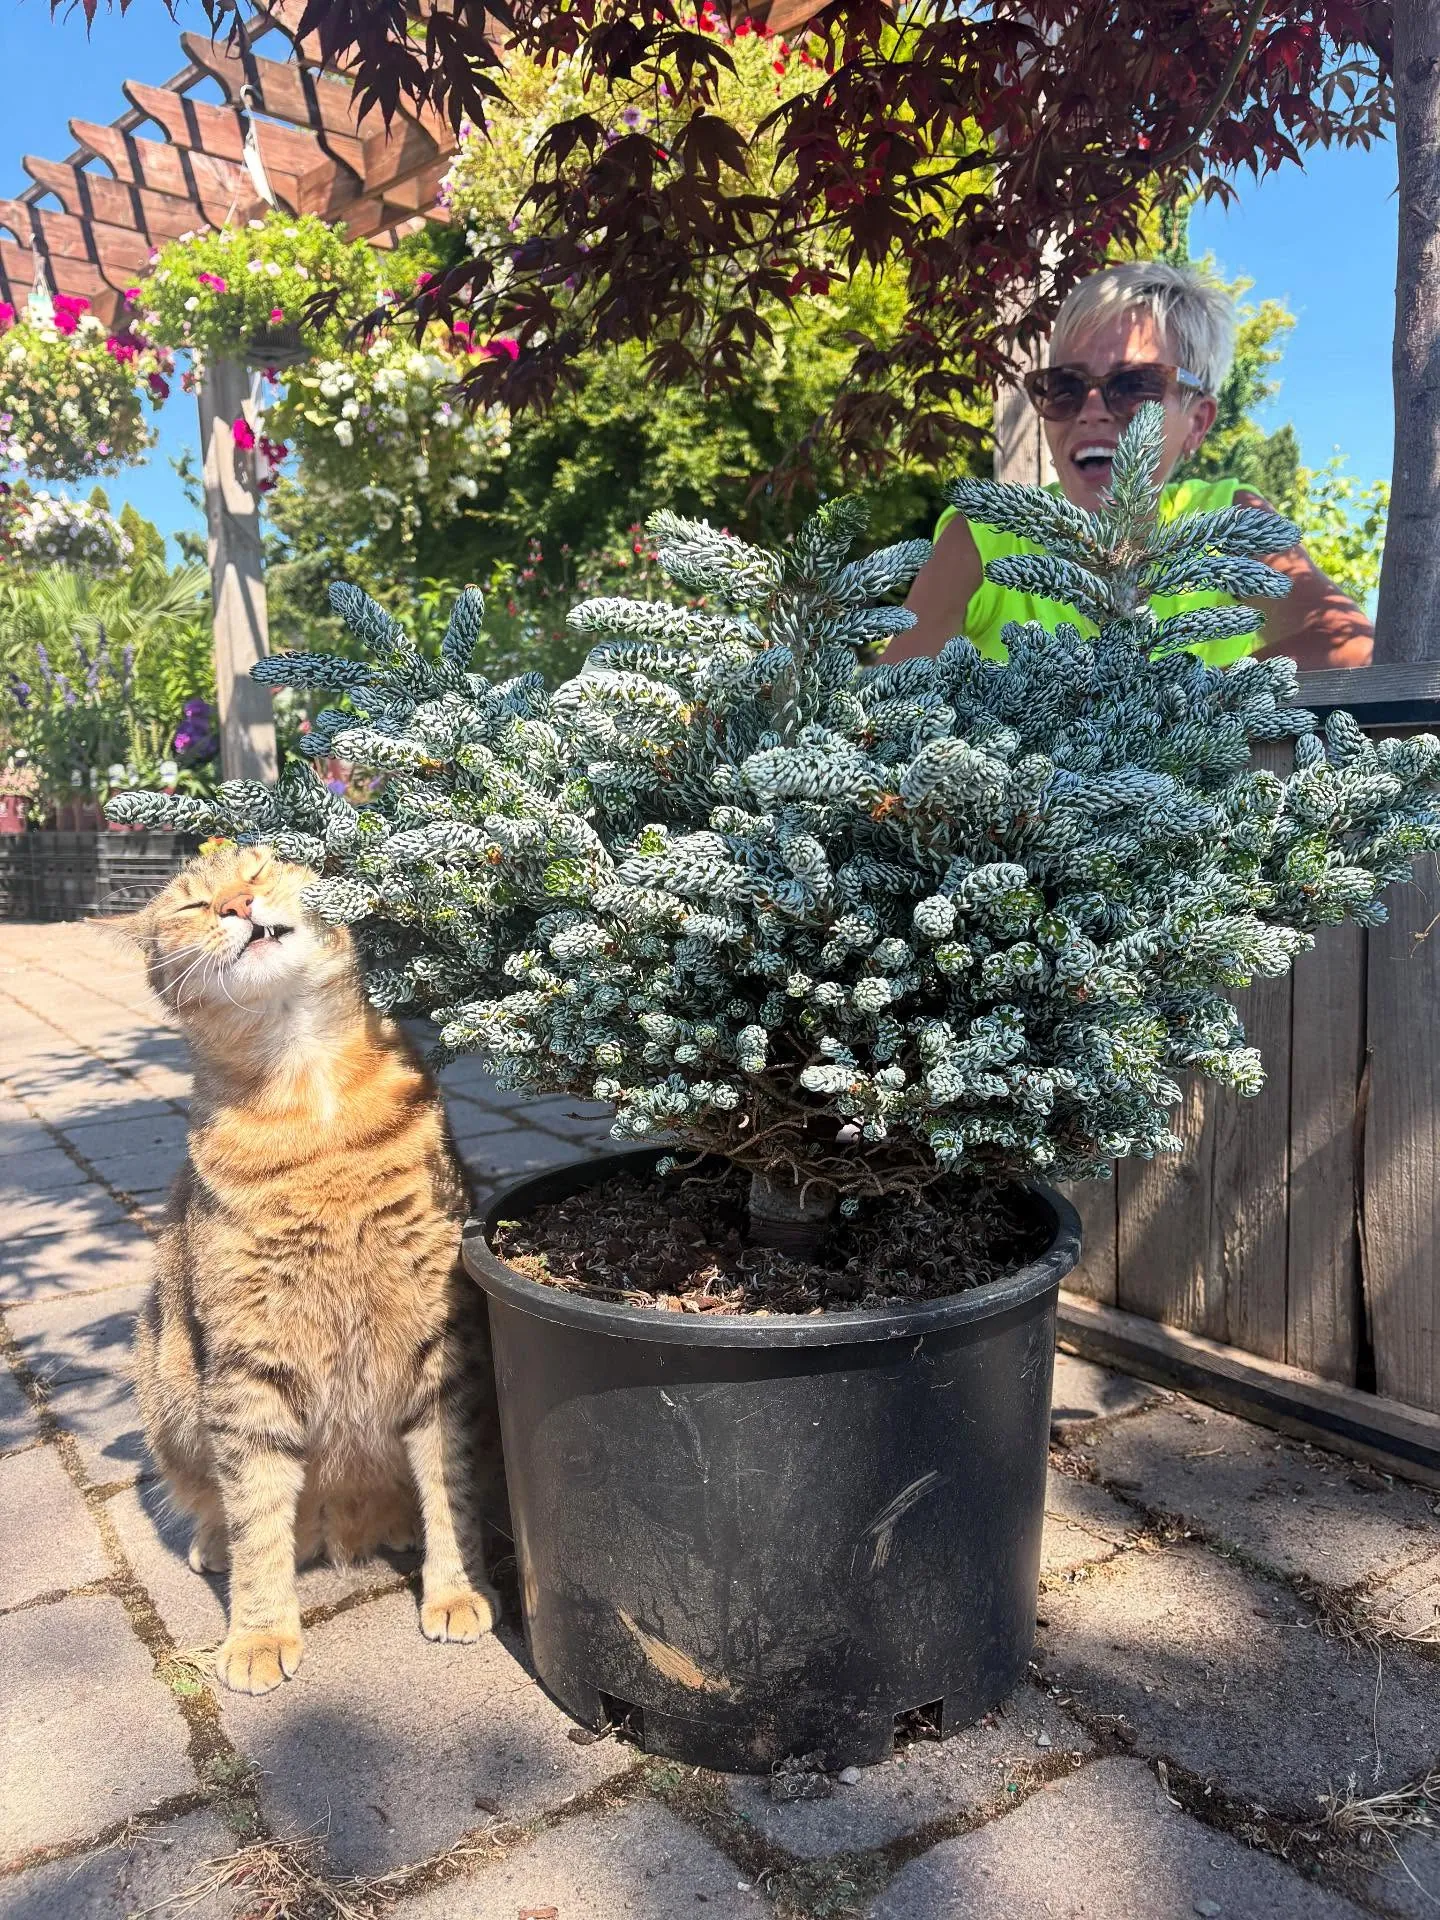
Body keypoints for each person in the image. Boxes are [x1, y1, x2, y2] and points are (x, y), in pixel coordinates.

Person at [891, 261, 1373, 671]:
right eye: (1064, 386)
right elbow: (889, 703)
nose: (1091, 408)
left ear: (1197, 422)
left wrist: (1162, 710)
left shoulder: (1230, 523)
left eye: (1134, 384)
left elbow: (1348, 645)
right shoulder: (983, 536)